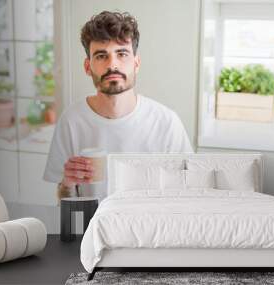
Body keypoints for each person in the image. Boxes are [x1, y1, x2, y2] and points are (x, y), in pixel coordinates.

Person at [43, 11, 193, 200]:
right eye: (101, 56)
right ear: (88, 67)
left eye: (121, 54)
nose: (112, 65)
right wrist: (67, 183)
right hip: (94, 227)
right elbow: (63, 200)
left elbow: (188, 193)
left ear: (136, 64)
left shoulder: (167, 123)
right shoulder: (71, 121)